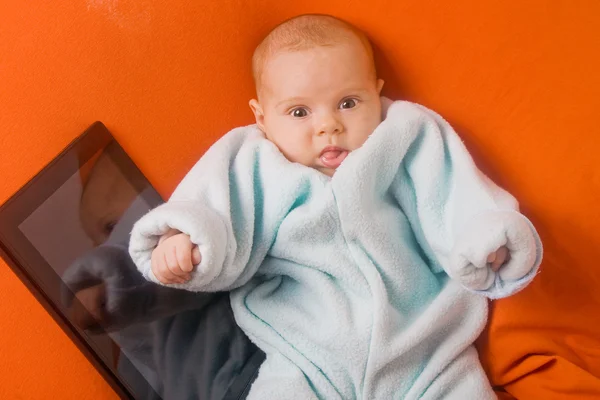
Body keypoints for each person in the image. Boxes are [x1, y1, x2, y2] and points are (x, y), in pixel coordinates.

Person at [129, 14, 543, 399]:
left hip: (428, 353)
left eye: (348, 103)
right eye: (299, 112)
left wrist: (483, 236)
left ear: (377, 93)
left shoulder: (405, 135)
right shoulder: (251, 162)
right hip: (308, 360)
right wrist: (183, 241)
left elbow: (452, 194)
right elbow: (215, 214)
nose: (328, 126)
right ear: (261, 116)